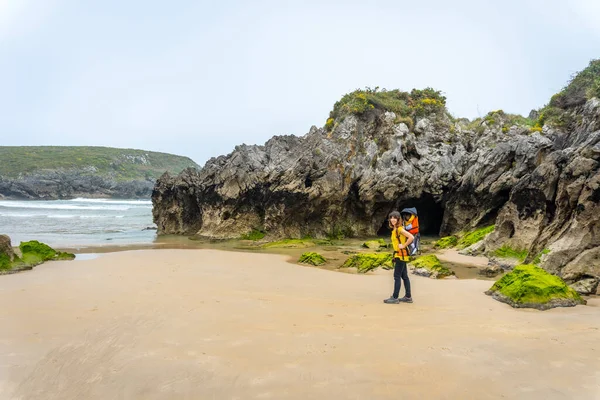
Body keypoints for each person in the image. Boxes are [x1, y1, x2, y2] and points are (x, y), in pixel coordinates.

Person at [384, 210, 414, 304]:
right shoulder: (394, 230)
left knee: (397, 276)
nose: (392, 219)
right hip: (400, 255)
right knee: (404, 276)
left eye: (395, 218)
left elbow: (411, 237)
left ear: (398, 219)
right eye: (391, 217)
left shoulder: (399, 229)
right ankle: (408, 297)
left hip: (401, 256)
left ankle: (395, 297)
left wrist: (404, 245)